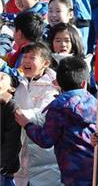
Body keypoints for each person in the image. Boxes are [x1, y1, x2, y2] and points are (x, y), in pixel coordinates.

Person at [15, 55, 98, 185]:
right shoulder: (95, 101)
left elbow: (46, 140)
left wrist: (27, 124)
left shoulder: (59, 106)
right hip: (95, 167)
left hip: (72, 172)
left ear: (57, 82)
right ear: (84, 83)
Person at [9, 43, 61, 186]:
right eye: (24, 57)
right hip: (19, 148)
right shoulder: (18, 82)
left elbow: (44, 112)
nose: (26, 61)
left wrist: (16, 114)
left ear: (45, 63)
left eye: (32, 57)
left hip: (43, 153)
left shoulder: (53, 85)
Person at [0, 72, 21, 186]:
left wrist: (5, 165)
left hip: (3, 169)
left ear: (11, 89)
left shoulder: (10, 106)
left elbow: (12, 141)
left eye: (2, 78)